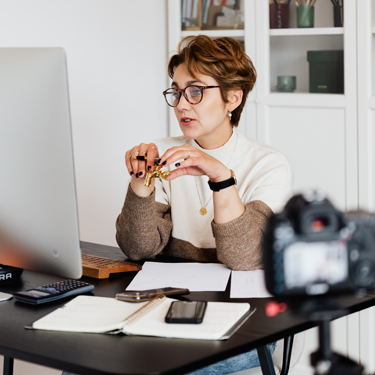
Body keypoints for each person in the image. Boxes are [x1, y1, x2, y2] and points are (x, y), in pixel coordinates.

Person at [62, 35, 291, 375]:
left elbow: (243, 258)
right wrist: (141, 185)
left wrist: (220, 177)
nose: (182, 105)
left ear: (233, 98)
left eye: (196, 91)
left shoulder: (268, 164)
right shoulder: (165, 153)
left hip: (247, 322)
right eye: (177, 91)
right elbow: (138, 248)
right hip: (168, 308)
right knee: (81, 363)